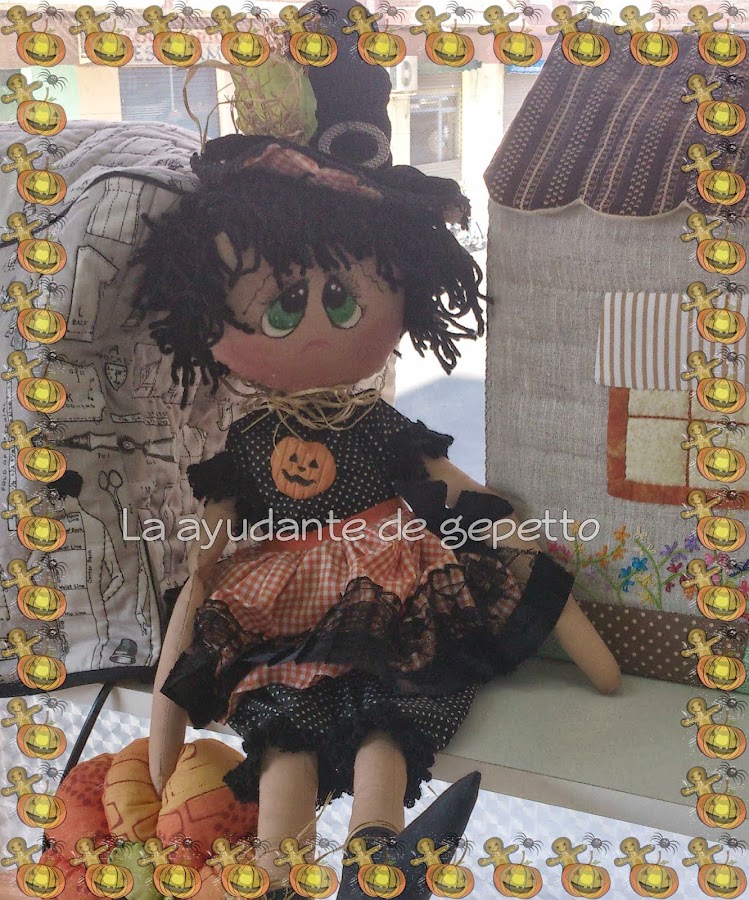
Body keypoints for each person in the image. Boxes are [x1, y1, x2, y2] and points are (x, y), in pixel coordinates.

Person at [132, 10, 621, 899]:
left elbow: (466, 501)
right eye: (281, 308)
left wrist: (542, 584)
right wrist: (165, 727)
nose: (315, 324)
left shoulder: (378, 429)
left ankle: (376, 850)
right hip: (285, 604)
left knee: (386, 717)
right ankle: (280, 871)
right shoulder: (247, 446)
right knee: (287, 729)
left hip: (393, 589)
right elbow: (201, 578)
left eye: (342, 299)